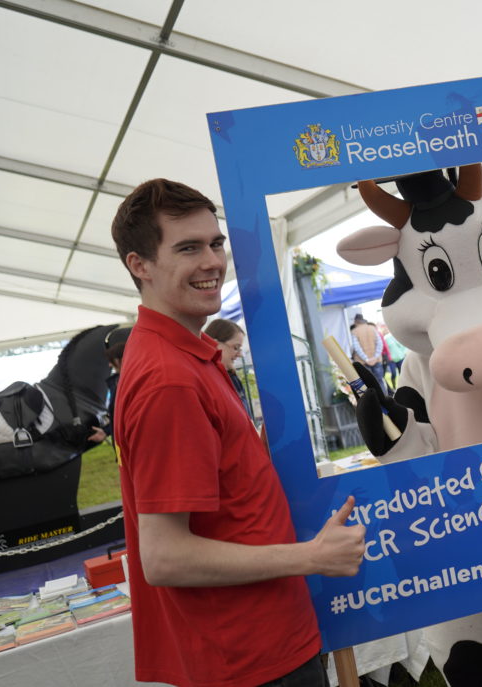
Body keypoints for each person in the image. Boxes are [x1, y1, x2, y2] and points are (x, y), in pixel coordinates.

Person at [110, 178, 366, 687]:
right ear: (140, 265)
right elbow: (165, 556)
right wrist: (312, 556)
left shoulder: (182, 353)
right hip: (249, 656)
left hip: (257, 642)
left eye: (215, 243)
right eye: (188, 248)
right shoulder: (169, 378)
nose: (212, 262)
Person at [204, 318, 254, 419]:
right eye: (236, 347)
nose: (240, 354)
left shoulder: (232, 377)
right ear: (215, 344)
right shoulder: (206, 381)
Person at [349, 313, 386, 390]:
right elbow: (380, 343)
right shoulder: (372, 328)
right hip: (377, 360)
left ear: (356, 322)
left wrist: (366, 359)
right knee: (380, 381)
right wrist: (375, 357)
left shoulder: (354, 331)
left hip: (363, 362)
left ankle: (375, 398)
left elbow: (356, 347)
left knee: (369, 384)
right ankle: (385, 397)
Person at [378, 322, 406, 387]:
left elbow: (402, 346)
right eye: (384, 328)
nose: (386, 329)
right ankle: (394, 386)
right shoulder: (383, 339)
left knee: (402, 373)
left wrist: (403, 353)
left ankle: (403, 385)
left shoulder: (393, 336)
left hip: (400, 357)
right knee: (393, 373)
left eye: (386, 328)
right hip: (391, 360)